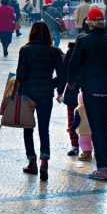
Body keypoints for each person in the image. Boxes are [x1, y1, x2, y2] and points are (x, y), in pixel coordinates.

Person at [66, 8, 107, 182]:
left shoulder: (84, 41)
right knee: (103, 127)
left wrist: (71, 82)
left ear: (90, 24)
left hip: (91, 91)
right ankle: (102, 166)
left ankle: (102, 169)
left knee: (97, 129)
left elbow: (73, 64)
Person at [15, 22, 65, 181]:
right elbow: (63, 75)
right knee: (44, 128)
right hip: (45, 93)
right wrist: (54, 85)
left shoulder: (25, 50)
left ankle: (32, 162)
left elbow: (20, 76)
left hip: (27, 94)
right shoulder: (54, 51)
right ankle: (44, 160)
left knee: (27, 128)